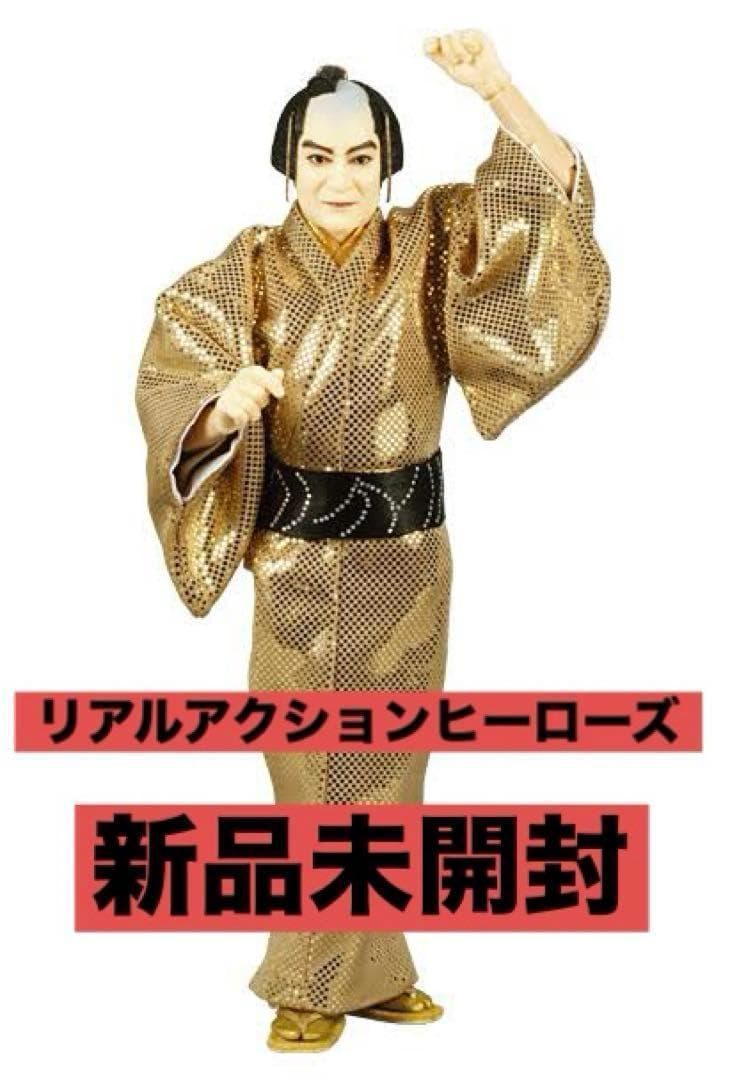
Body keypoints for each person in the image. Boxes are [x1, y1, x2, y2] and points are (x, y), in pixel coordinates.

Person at [135, 28, 610, 1052]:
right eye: (318, 157)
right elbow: (175, 371)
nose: (339, 179)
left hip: (408, 559)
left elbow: (545, 202)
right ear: (288, 162)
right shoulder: (245, 273)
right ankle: (305, 981)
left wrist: (498, 91)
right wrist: (220, 408)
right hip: (298, 562)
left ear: (388, 163)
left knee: (391, 770)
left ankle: (374, 968)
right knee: (307, 770)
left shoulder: (432, 242)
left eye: (360, 158)